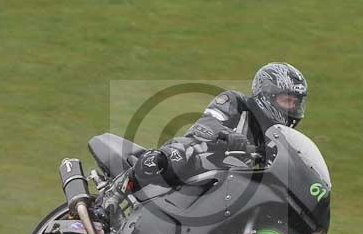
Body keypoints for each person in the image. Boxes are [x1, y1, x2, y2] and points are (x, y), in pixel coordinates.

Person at [99, 62, 308, 218]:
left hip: (226, 189)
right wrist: (227, 135)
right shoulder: (235, 101)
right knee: (181, 153)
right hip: (201, 161)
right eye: (287, 100)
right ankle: (118, 188)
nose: (293, 109)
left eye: (296, 102)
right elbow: (206, 124)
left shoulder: (276, 138)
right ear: (267, 94)